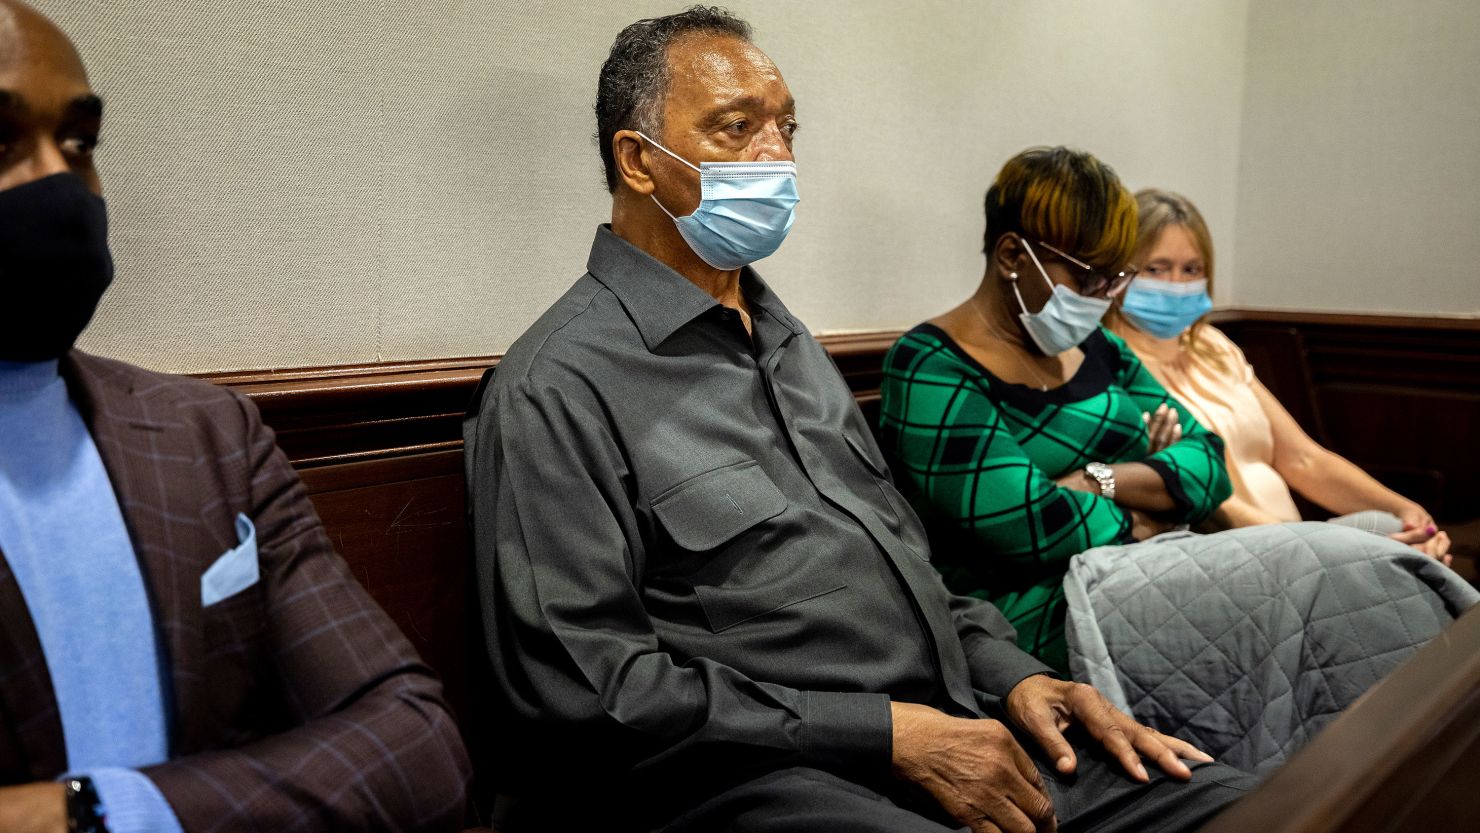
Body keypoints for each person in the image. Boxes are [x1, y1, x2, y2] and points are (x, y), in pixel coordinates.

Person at [465, 8, 1253, 832]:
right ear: (638, 162)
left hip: (950, 724)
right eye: (737, 129)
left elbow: (910, 572)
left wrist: (1017, 675)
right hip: (754, 779)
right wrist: (881, 734)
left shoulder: (788, 345)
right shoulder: (555, 387)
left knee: (1252, 803)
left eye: (787, 126)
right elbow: (590, 690)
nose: (778, 157)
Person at [0, 3, 470, 831]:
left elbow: (417, 743)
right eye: (0, 143)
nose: (56, 184)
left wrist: (97, 814)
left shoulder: (209, 435)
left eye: (79, 144)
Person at [878, 147, 1233, 672]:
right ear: (1012, 258)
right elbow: (1031, 525)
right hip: (1026, 619)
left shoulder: (1099, 347)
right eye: (1089, 277)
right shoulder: (929, 365)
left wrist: (1097, 480)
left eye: (1116, 279)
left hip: (1151, 574)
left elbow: (1210, 460)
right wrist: (1157, 504)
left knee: (1339, 566)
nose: (1103, 296)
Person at [1108, 188, 1451, 563]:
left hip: (1293, 538)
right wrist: (1308, 548)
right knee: (1396, 562)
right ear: (1120, 273)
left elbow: (1304, 460)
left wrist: (1409, 512)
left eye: (1191, 269)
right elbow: (1202, 496)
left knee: (1396, 530)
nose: (1176, 284)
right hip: (1230, 550)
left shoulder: (1212, 346)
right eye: (1157, 268)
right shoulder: (1112, 364)